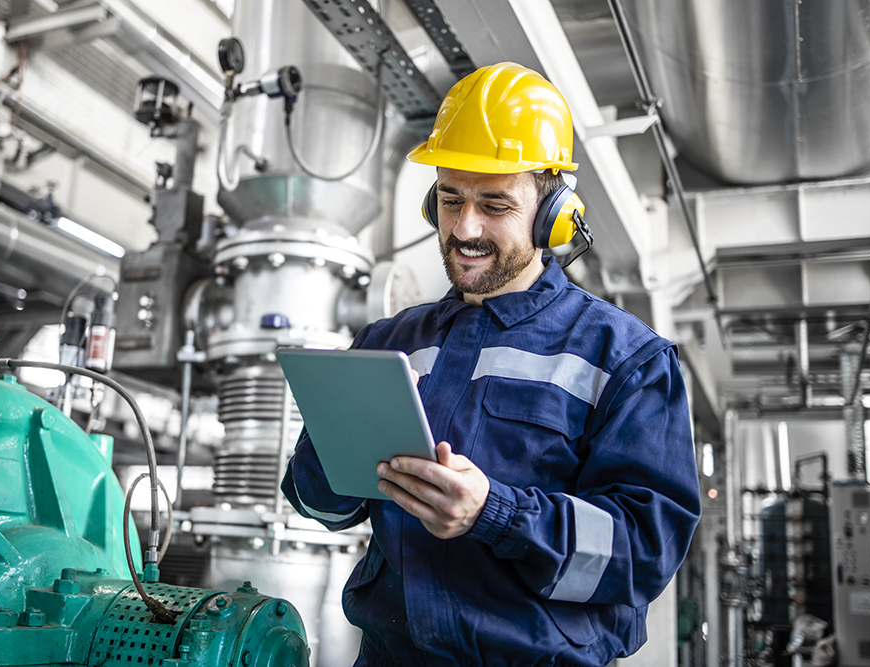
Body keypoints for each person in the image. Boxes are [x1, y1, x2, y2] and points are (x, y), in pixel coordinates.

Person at [281, 62, 701, 667]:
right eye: (450, 200)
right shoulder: (387, 339)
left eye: (494, 204)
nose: (465, 228)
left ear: (552, 211)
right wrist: (336, 440)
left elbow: (643, 554)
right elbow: (321, 507)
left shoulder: (627, 359)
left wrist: (496, 515)